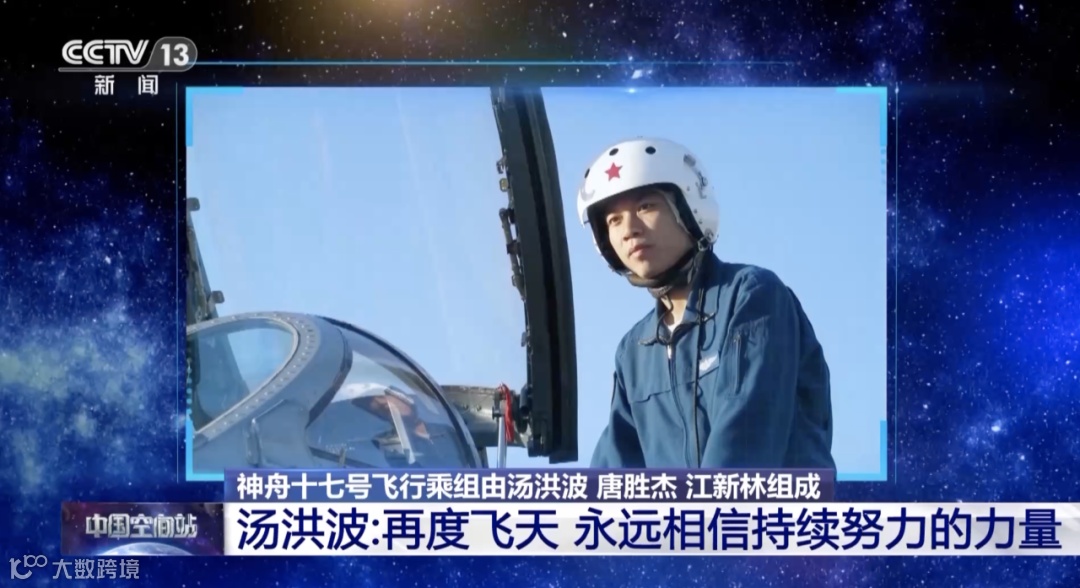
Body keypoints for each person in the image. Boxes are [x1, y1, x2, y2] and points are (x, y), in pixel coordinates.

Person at [578, 137, 836, 469]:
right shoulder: (634, 351)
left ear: (688, 208)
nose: (628, 230)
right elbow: (613, 473)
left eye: (646, 207)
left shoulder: (751, 296)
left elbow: (745, 437)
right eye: (613, 220)